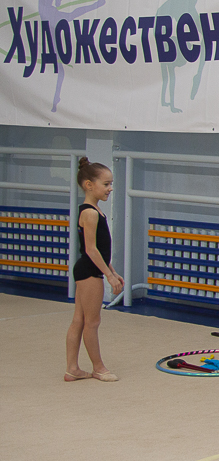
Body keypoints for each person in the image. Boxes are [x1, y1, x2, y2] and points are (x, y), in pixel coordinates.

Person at [65, 158, 124, 382]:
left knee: (79, 320)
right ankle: (98, 368)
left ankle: (72, 369)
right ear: (89, 185)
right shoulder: (90, 213)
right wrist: (108, 276)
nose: (110, 188)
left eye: (111, 184)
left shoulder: (95, 211)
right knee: (92, 322)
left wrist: (112, 271)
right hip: (89, 272)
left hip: (88, 269)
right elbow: (91, 249)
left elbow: (100, 250)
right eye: (106, 184)